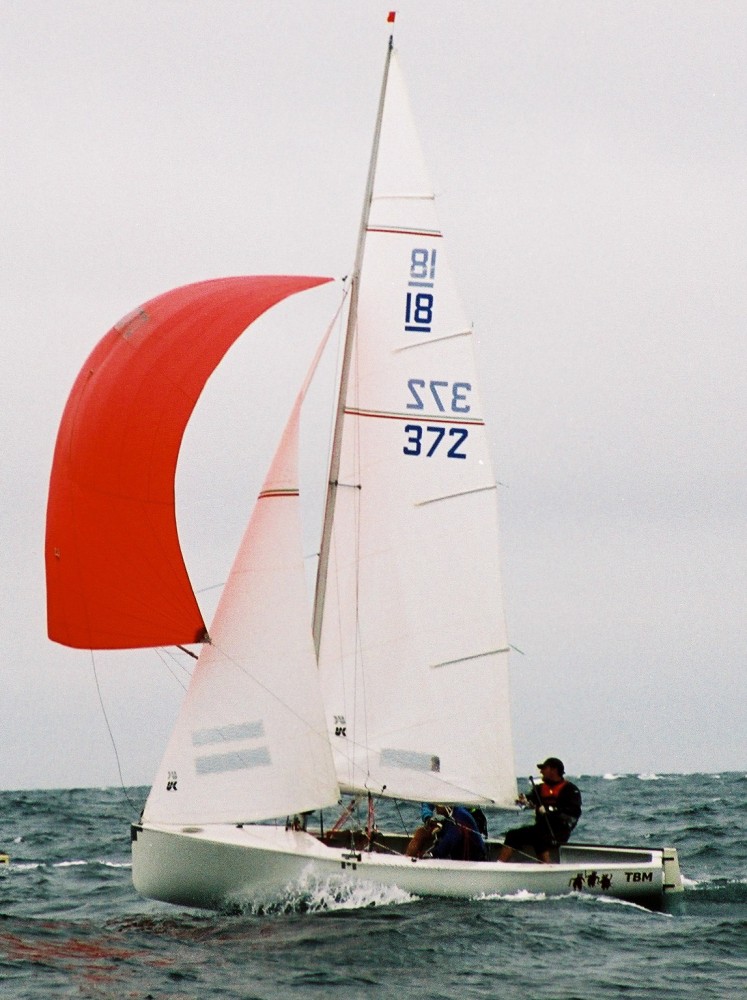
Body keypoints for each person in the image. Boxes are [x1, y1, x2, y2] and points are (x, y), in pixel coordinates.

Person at [498, 757, 581, 864]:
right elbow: (530, 798)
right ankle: (500, 865)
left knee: (539, 836)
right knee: (512, 835)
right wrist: (523, 799)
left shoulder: (570, 790)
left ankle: (546, 867)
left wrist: (549, 810)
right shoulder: (540, 788)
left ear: (554, 770)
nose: (541, 771)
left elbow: (573, 813)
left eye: (544, 768)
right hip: (541, 828)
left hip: (559, 831)